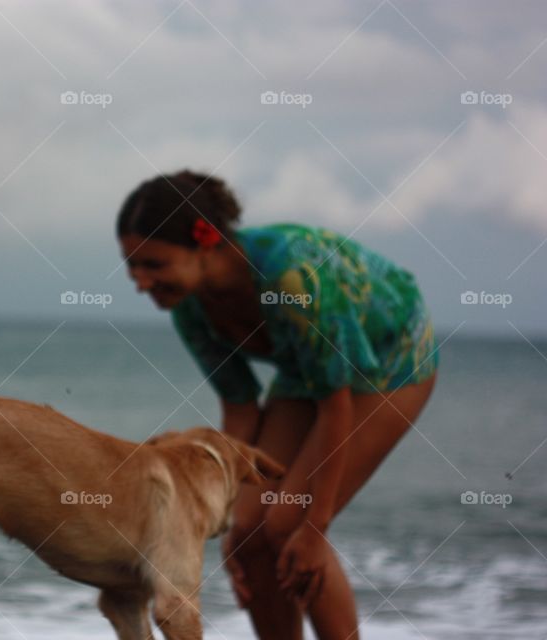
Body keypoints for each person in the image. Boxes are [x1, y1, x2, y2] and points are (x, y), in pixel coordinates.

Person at [116, 169, 439, 640]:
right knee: (246, 534)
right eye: (132, 266)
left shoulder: (288, 276)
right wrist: (221, 516)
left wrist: (315, 529)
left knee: (289, 522)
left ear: (204, 240)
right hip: (310, 371)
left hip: (393, 357)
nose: (141, 282)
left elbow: (335, 409)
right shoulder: (189, 304)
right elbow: (241, 411)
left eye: (154, 264)